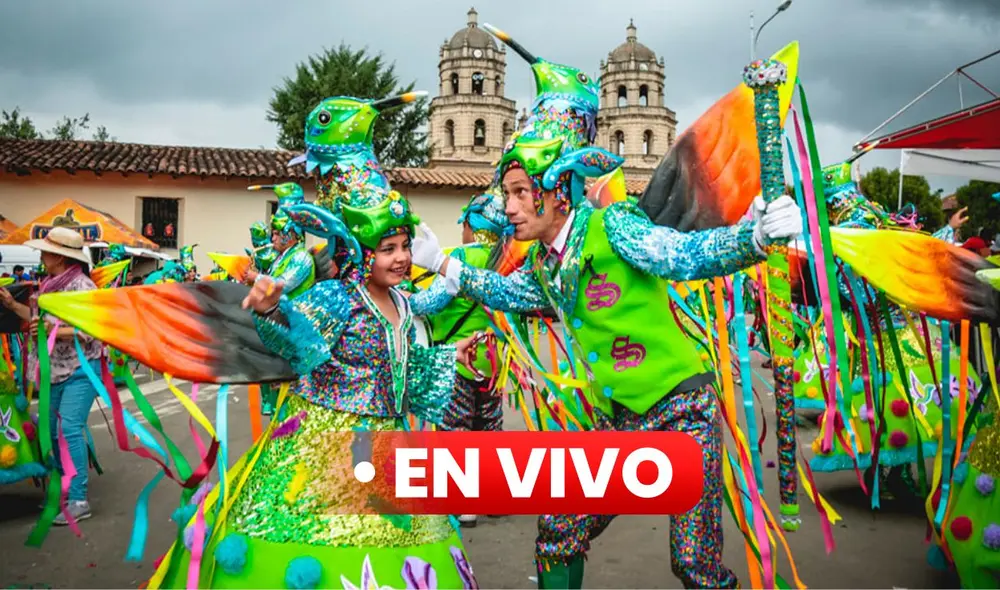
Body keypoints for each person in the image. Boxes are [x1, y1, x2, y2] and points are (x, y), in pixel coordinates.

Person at [410, 35, 803, 586]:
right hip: (616, 420)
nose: (511, 207)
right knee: (560, 523)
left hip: (680, 415)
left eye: (522, 192)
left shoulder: (614, 226)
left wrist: (753, 238)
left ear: (560, 191)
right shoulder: (545, 265)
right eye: (508, 194)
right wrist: (444, 265)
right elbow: (509, 294)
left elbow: (680, 255)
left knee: (694, 563)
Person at [413, 187, 512, 528]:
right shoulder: (505, 260)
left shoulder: (461, 259)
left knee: (456, 430)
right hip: (494, 361)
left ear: (471, 224)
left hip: (458, 360)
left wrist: (406, 298)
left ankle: (463, 503)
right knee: (489, 428)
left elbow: (429, 303)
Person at [0, 227, 103, 524]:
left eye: (46, 252)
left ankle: (79, 499)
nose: (42, 256)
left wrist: (51, 331)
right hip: (53, 372)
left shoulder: (83, 287)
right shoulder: (49, 286)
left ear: (59, 256)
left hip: (82, 369)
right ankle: (62, 493)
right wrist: (12, 305)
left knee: (68, 429)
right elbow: (36, 322)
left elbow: (91, 330)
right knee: (50, 432)